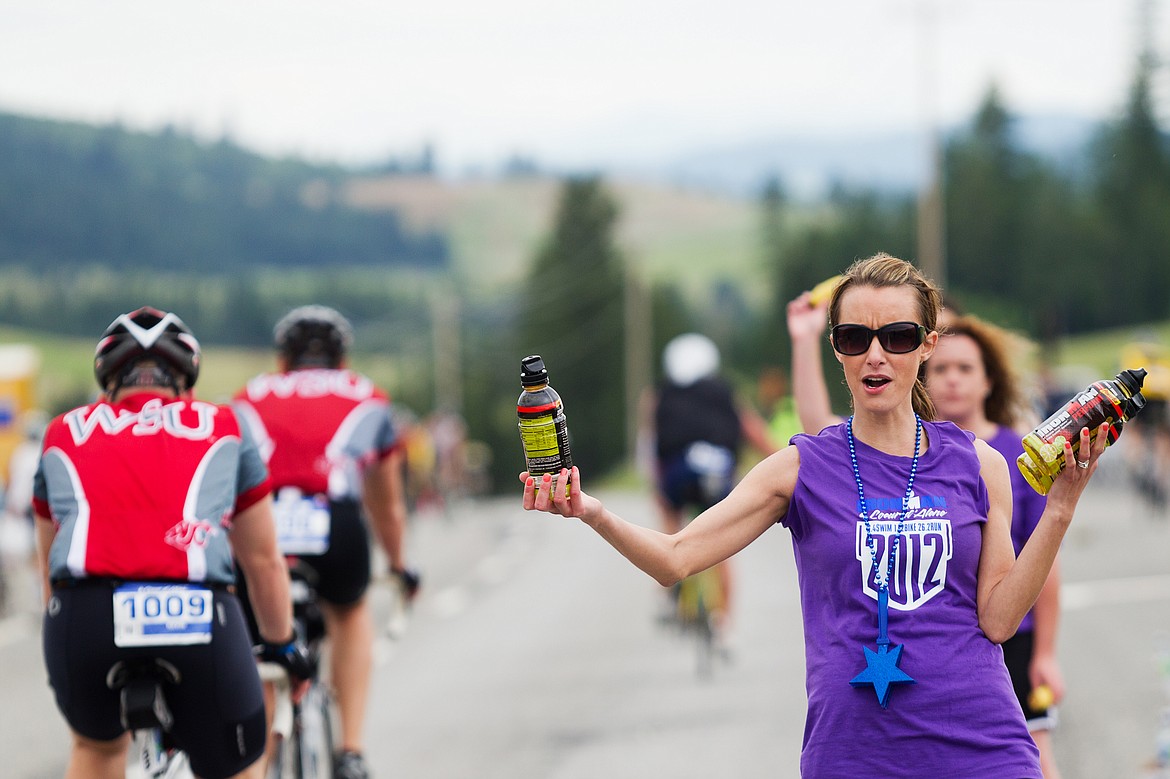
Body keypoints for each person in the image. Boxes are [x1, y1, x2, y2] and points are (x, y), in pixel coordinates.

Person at [521, 253, 1108, 777]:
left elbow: (1000, 621)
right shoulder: (800, 468)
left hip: (984, 749)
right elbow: (675, 560)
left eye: (898, 336)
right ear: (837, 349)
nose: (875, 355)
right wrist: (591, 512)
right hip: (855, 754)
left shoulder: (980, 465)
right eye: (855, 337)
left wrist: (1060, 508)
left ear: (928, 345)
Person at [787, 291, 1065, 777]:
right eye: (944, 370)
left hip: (1003, 642)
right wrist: (804, 342)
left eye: (965, 369)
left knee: (1037, 749)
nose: (952, 380)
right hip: (903, 683)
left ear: (987, 380)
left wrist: (1046, 652)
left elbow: (1044, 557)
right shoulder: (888, 445)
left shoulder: (1007, 454)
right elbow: (821, 435)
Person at [32, 306, 310, 779]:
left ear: (109, 382)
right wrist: (282, 646)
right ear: (186, 381)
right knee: (238, 764)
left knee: (96, 750)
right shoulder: (225, 425)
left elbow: (48, 569)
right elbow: (263, 560)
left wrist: (69, 646)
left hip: (85, 617)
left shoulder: (62, 432)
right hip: (197, 611)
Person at [232, 305, 419, 779]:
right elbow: (387, 506)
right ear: (342, 358)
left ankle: (260, 754)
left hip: (262, 521)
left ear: (282, 360)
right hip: (332, 519)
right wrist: (399, 566)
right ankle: (351, 751)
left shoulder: (247, 397)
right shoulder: (367, 396)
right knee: (350, 611)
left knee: (260, 632)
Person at [639, 333, 777, 641]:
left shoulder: (659, 395)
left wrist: (655, 485)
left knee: (670, 526)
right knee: (721, 547)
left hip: (676, 476)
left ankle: (664, 593)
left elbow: (649, 446)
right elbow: (753, 432)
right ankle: (723, 622)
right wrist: (788, 459)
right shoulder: (725, 392)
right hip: (716, 475)